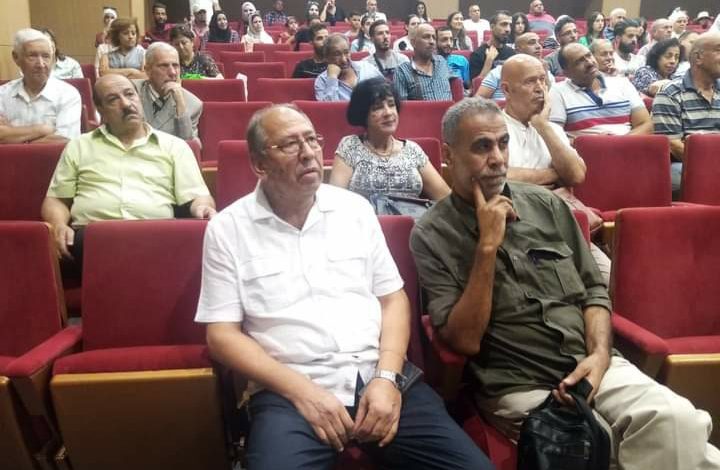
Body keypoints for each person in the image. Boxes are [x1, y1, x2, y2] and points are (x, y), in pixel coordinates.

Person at [410, 96, 720, 470]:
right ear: (449, 155)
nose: (498, 159)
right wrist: (487, 248)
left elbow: (593, 291)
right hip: (520, 382)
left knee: (678, 420)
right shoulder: (432, 233)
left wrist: (600, 355)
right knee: (599, 443)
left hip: (591, 364)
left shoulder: (545, 205)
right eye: (481, 147)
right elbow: (464, 340)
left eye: (503, 143)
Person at [194, 102, 493, 470]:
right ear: (259, 164)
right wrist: (301, 391)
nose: (308, 153)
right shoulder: (228, 229)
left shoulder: (354, 210)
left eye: (312, 140)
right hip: (289, 393)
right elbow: (222, 335)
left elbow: (393, 299)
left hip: (377, 375)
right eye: (290, 144)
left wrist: (386, 377)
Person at [41, 74, 214, 265]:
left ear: (139, 98)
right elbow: (56, 199)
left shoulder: (175, 147)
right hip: (92, 239)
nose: (126, 104)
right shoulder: (79, 146)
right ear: (100, 110)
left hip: (155, 237)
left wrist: (203, 207)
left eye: (130, 94)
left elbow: (199, 197)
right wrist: (58, 225)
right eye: (113, 99)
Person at [499, 54, 611, 283]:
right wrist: (552, 175)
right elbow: (498, 178)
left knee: (610, 283)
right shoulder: (493, 128)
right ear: (507, 90)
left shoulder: (552, 129)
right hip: (515, 231)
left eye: (543, 80)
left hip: (563, 228)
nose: (540, 88)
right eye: (530, 82)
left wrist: (542, 125)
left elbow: (576, 175)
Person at [330, 77, 450, 202]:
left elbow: (445, 198)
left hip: (412, 214)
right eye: (377, 107)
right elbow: (335, 202)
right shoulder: (350, 146)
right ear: (363, 114)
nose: (388, 113)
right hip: (364, 214)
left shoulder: (412, 150)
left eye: (392, 105)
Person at [652, 32, 720, 194]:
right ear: (698, 58)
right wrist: (711, 165)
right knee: (677, 176)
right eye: (719, 50)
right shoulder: (670, 94)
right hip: (686, 162)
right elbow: (674, 145)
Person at [549, 43, 652, 139]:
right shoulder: (558, 91)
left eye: (589, 56)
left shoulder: (622, 83)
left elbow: (645, 125)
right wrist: (595, 144)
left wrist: (616, 144)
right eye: (579, 61)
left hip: (627, 147)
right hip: (584, 151)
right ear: (566, 73)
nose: (589, 63)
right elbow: (554, 138)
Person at [0, 29, 81, 144]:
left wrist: (12, 135)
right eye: (32, 56)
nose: (41, 64)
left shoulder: (67, 94)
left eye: (46, 56)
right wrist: (43, 130)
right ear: (16, 57)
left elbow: (64, 139)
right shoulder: (2, 94)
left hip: (54, 156)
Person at [133, 42, 203, 141]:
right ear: (147, 70)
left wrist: (180, 106)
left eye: (176, 66)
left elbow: (189, 144)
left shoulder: (193, 104)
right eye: (164, 66)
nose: (173, 72)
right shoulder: (130, 91)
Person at [476, 33, 554, 100]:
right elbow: (478, 100)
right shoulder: (500, 72)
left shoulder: (547, 74)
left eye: (539, 43)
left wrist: (545, 75)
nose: (538, 46)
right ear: (518, 50)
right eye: (531, 43)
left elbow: (552, 101)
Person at [393, 23, 452, 101]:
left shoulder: (442, 62)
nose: (432, 42)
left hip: (450, 108)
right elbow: (402, 105)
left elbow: (456, 88)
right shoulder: (402, 71)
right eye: (426, 37)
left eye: (434, 38)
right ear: (413, 43)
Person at [315, 34, 382, 101]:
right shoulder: (322, 81)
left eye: (346, 52)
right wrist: (332, 78)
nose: (344, 60)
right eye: (337, 54)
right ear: (326, 58)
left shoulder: (366, 67)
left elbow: (385, 91)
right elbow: (329, 106)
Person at [469, 11, 515, 81]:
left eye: (510, 25)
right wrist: (489, 62)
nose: (508, 29)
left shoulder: (512, 53)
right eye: (504, 24)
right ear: (492, 27)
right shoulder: (477, 54)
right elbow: (476, 85)